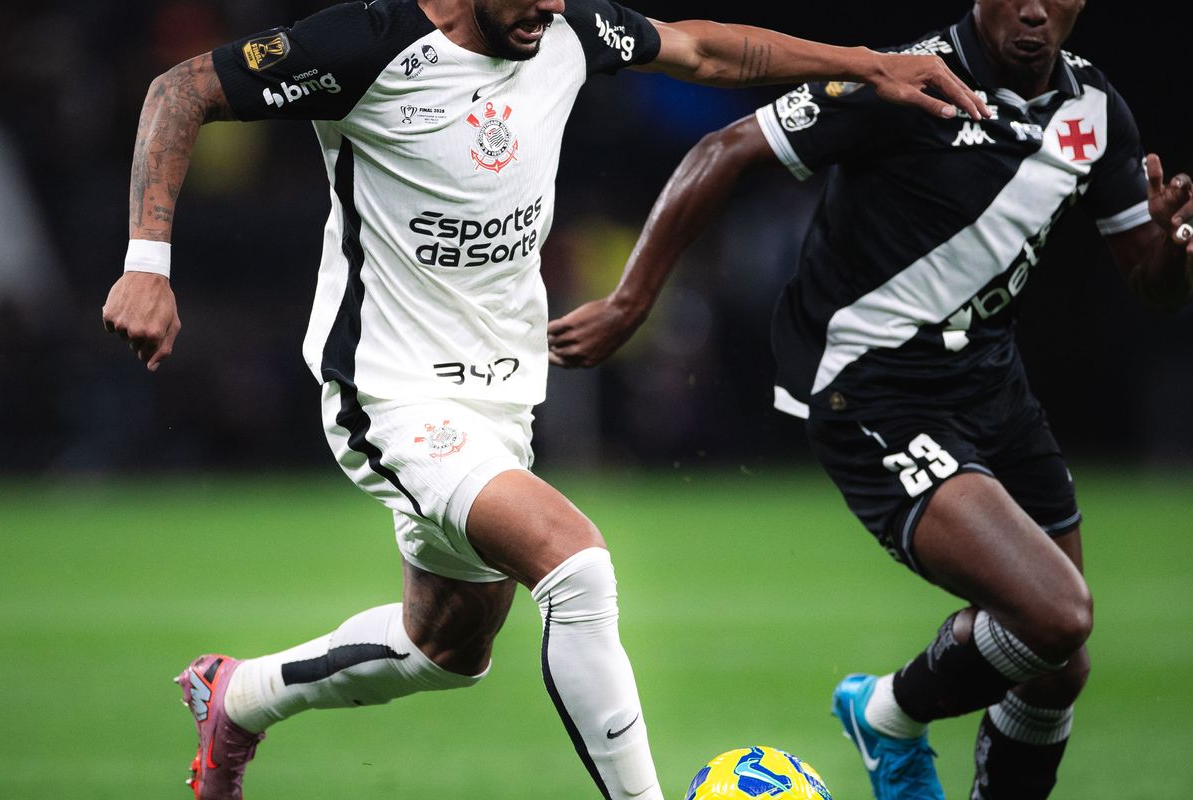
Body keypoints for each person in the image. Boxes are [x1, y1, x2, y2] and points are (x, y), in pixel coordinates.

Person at [100, 1, 988, 798]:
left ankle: (236, 697)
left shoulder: (562, 28)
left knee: (446, 649)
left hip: (500, 396)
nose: (550, 6)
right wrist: (147, 263)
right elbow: (180, 91)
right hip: (391, 391)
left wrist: (867, 63)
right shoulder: (365, 45)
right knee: (576, 563)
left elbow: (707, 51)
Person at [546, 1, 1193, 798]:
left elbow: (1154, 282)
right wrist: (630, 302)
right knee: (1056, 616)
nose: (1034, 10)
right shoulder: (903, 80)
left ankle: (901, 723)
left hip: (994, 389)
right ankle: (887, 714)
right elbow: (724, 148)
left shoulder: (1096, 111)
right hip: (871, 389)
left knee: (1057, 664)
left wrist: (1178, 247)